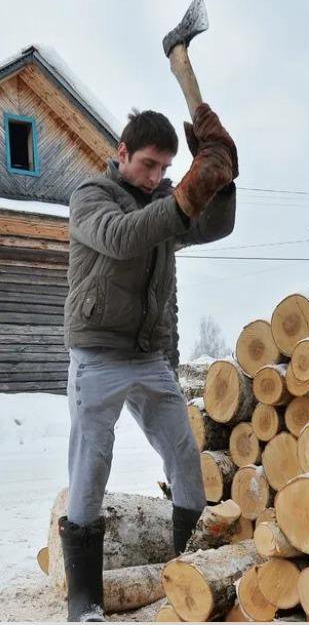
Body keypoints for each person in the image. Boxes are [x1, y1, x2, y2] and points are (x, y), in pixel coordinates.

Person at [58, 102, 237, 622]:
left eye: (166, 169)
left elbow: (213, 228)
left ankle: (192, 573)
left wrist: (222, 181)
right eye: (148, 164)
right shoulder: (91, 197)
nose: (157, 176)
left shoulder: (164, 203)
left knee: (184, 457)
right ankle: (84, 603)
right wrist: (182, 198)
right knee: (91, 466)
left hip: (149, 355)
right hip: (98, 354)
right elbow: (122, 238)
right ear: (122, 153)